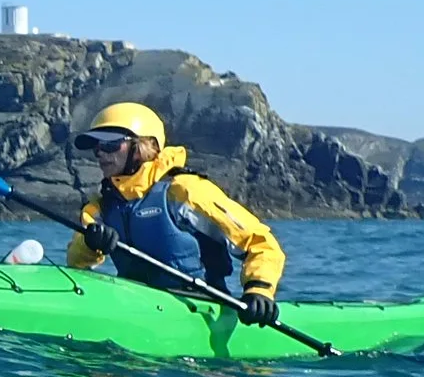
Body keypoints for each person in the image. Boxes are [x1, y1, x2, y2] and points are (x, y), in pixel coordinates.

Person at [67, 102, 285, 326]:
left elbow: (260, 242)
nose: (100, 154)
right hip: (138, 309)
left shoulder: (184, 191)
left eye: (111, 144)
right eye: (96, 147)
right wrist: (89, 243)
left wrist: (259, 288)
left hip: (199, 310)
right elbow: (76, 262)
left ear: (144, 145)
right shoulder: (100, 206)